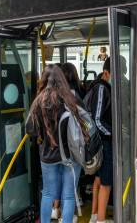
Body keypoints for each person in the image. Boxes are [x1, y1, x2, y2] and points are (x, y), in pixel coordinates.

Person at [26, 64, 87, 223]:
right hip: (70, 154)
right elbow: (86, 121)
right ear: (62, 79)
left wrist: (43, 135)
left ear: (44, 80)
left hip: (47, 156)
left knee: (47, 193)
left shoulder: (38, 101)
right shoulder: (71, 98)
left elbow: (29, 129)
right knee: (68, 195)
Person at [86, 58, 113, 223]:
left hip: (96, 141)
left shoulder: (94, 86)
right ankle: (101, 220)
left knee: (98, 179)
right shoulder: (102, 88)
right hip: (103, 142)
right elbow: (97, 119)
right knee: (106, 182)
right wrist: (112, 134)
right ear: (106, 73)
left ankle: (94, 215)